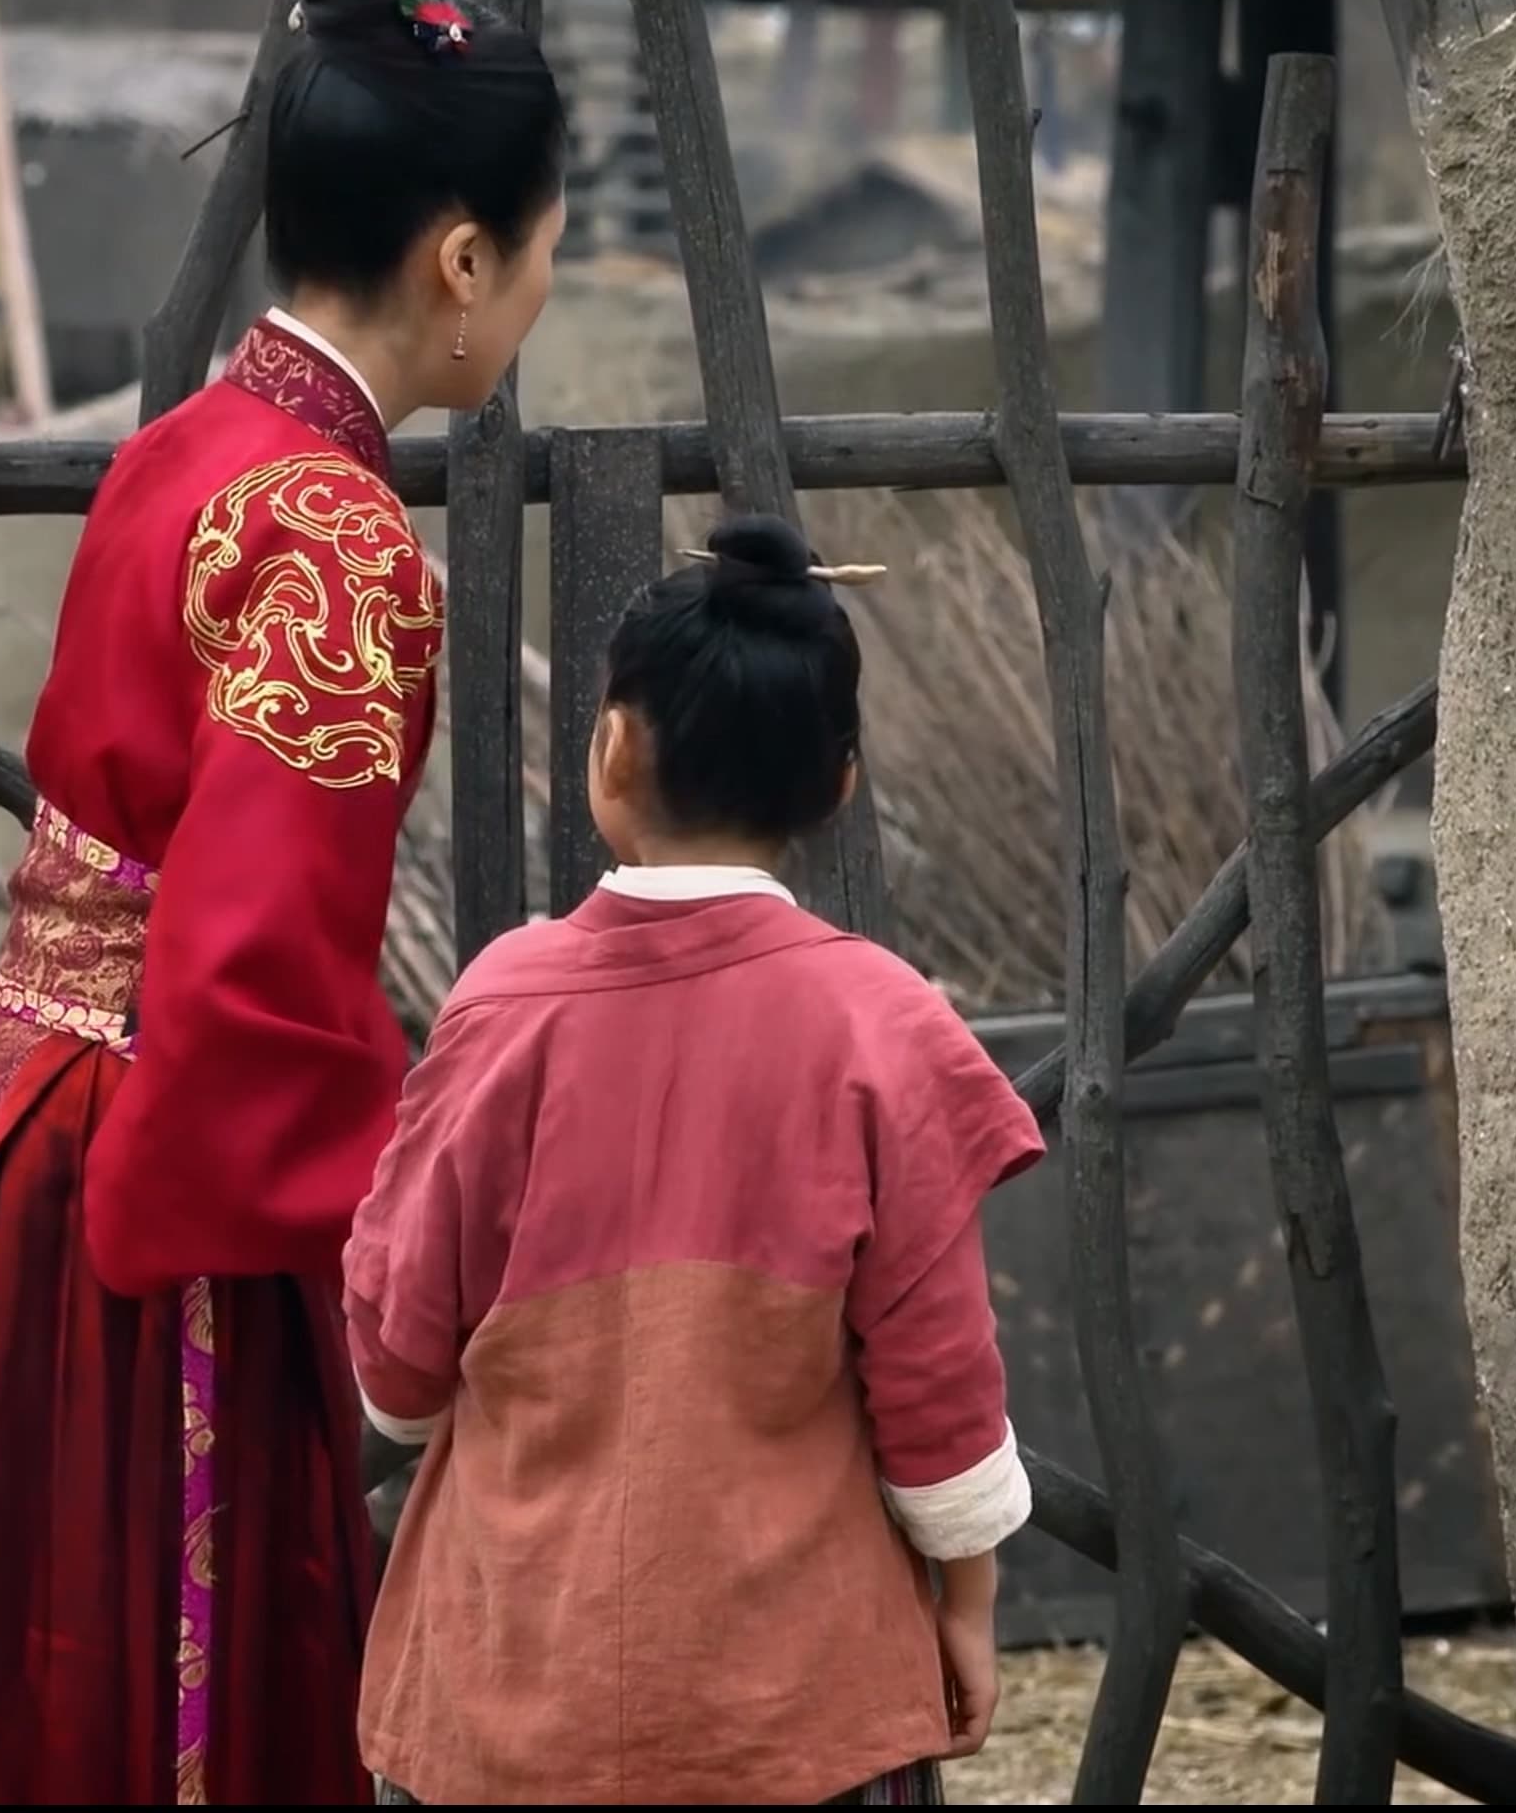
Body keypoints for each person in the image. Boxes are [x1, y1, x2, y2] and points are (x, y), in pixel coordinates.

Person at [0, 0, 567, 1806]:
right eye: (547, 247)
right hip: (159, 1203)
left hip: (22, 1124)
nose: (543, 288)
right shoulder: (333, 537)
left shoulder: (189, 447)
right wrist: (391, 1251)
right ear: (465, 261)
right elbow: (254, 972)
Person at [343, 516, 1050, 1806]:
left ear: (612, 747)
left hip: (514, 1689)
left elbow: (396, 1361)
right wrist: (967, 1600)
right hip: (800, 1703)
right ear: (841, 782)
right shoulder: (884, 1024)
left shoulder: (503, 1007)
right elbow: (939, 1381)